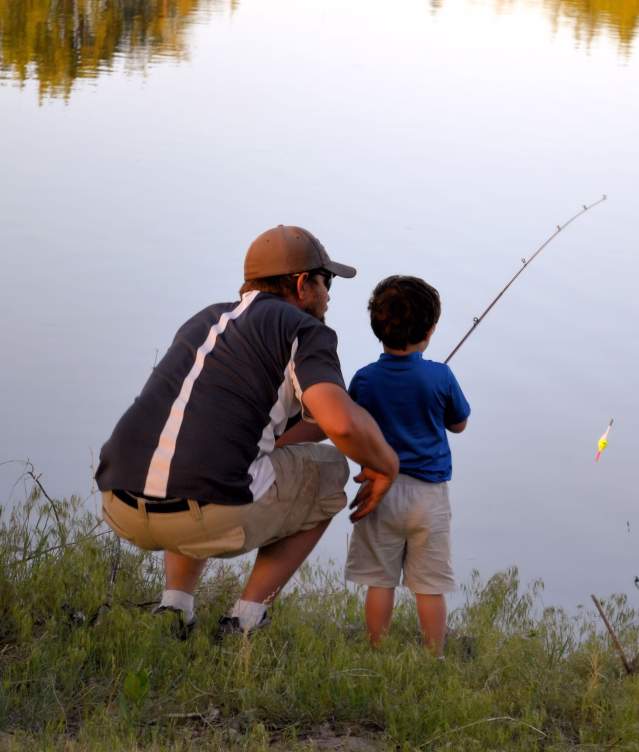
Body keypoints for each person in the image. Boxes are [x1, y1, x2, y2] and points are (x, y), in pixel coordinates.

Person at [96, 225, 399, 637]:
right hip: (206, 517)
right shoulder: (305, 330)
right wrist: (386, 465)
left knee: (190, 449)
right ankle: (246, 618)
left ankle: (175, 608)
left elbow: (282, 425)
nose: (328, 295)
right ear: (301, 284)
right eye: (326, 282)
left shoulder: (204, 319)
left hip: (120, 503)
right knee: (331, 470)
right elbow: (341, 423)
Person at [345, 275, 470, 655]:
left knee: (379, 581)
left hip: (378, 491)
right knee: (429, 585)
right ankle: (435, 656)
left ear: (376, 328)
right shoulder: (440, 375)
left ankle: (376, 649)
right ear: (430, 331)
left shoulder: (364, 379)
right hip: (428, 498)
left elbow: (353, 426)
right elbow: (459, 423)